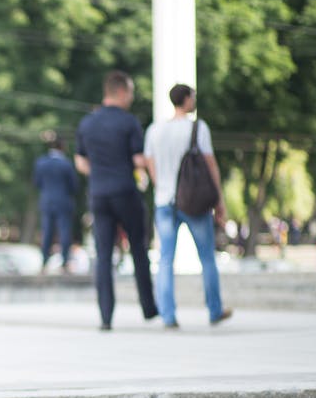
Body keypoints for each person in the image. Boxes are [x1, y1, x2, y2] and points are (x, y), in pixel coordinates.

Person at [75, 70, 159, 330]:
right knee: (138, 248)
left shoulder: (87, 124)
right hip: (125, 191)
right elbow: (137, 160)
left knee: (103, 255)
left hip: (99, 194)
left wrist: (99, 172)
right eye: (131, 93)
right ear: (121, 92)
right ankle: (148, 308)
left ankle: (106, 317)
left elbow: (80, 162)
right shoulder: (129, 122)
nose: (132, 98)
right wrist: (143, 172)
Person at [143, 84, 232, 328]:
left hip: (164, 200)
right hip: (193, 201)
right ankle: (214, 310)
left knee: (165, 259)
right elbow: (210, 164)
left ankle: (168, 315)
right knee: (207, 258)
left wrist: (161, 186)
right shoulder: (197, 127)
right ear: (185, 99)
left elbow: (149, 164)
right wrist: (219, 200)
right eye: (193, 96)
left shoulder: (155, 130)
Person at [33, 137, 78, 272]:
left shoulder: (40, 163)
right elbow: (74, 186)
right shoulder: (66, 164)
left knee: (47, 231)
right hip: (63, 200)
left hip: (47, 200)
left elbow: (37, 183)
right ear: (62, 147)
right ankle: (64, 262)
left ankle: (44, 261)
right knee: (64, 231)